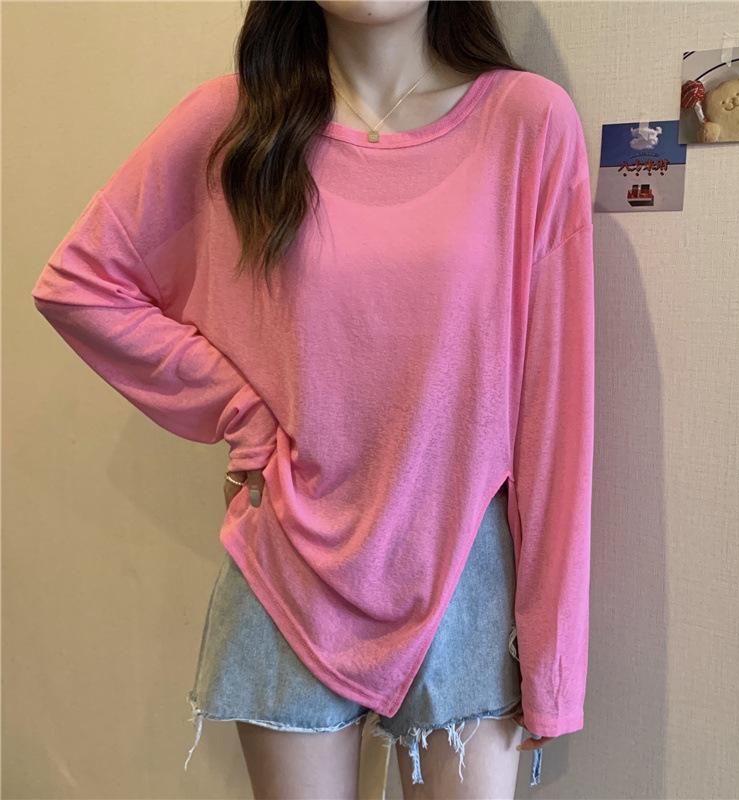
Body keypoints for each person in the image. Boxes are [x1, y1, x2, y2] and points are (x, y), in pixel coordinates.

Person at [31, 1, 595, 798]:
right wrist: (242, 414)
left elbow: (557, 418)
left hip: (463, 564)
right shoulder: (236, 126)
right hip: (289, 558)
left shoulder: (527, 125)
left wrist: (554, 658)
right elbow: (82, 285)